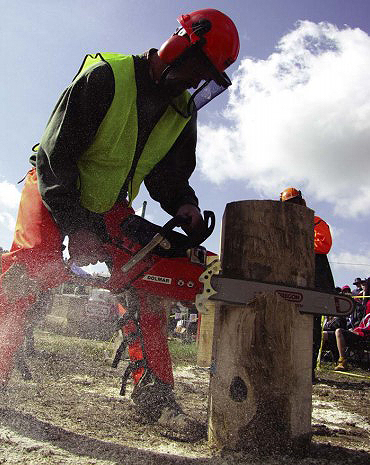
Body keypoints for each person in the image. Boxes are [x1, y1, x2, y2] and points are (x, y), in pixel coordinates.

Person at [0, 8, 240, 441]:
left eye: (203, 77)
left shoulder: (181, 111)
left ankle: (156, 397)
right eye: (194, 69)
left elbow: (169, 175)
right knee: (26, 272)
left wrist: (184, 203)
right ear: (178, 45)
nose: (191, 82)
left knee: (148, 277)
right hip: (55, 185)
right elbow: (57, 154)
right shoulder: (107, 77)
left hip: (111, 201)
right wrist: (76, 224)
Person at [280, 187, 334, 382]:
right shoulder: (280, 226)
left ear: (302, 202)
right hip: (290, 279)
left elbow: (323, 245)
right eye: (289, 205)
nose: (293, 207)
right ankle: (284, 365)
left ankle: (308, 370)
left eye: (295, 203)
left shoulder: (316, 221)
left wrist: (296, 245)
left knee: (312, 328)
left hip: (315, 280)